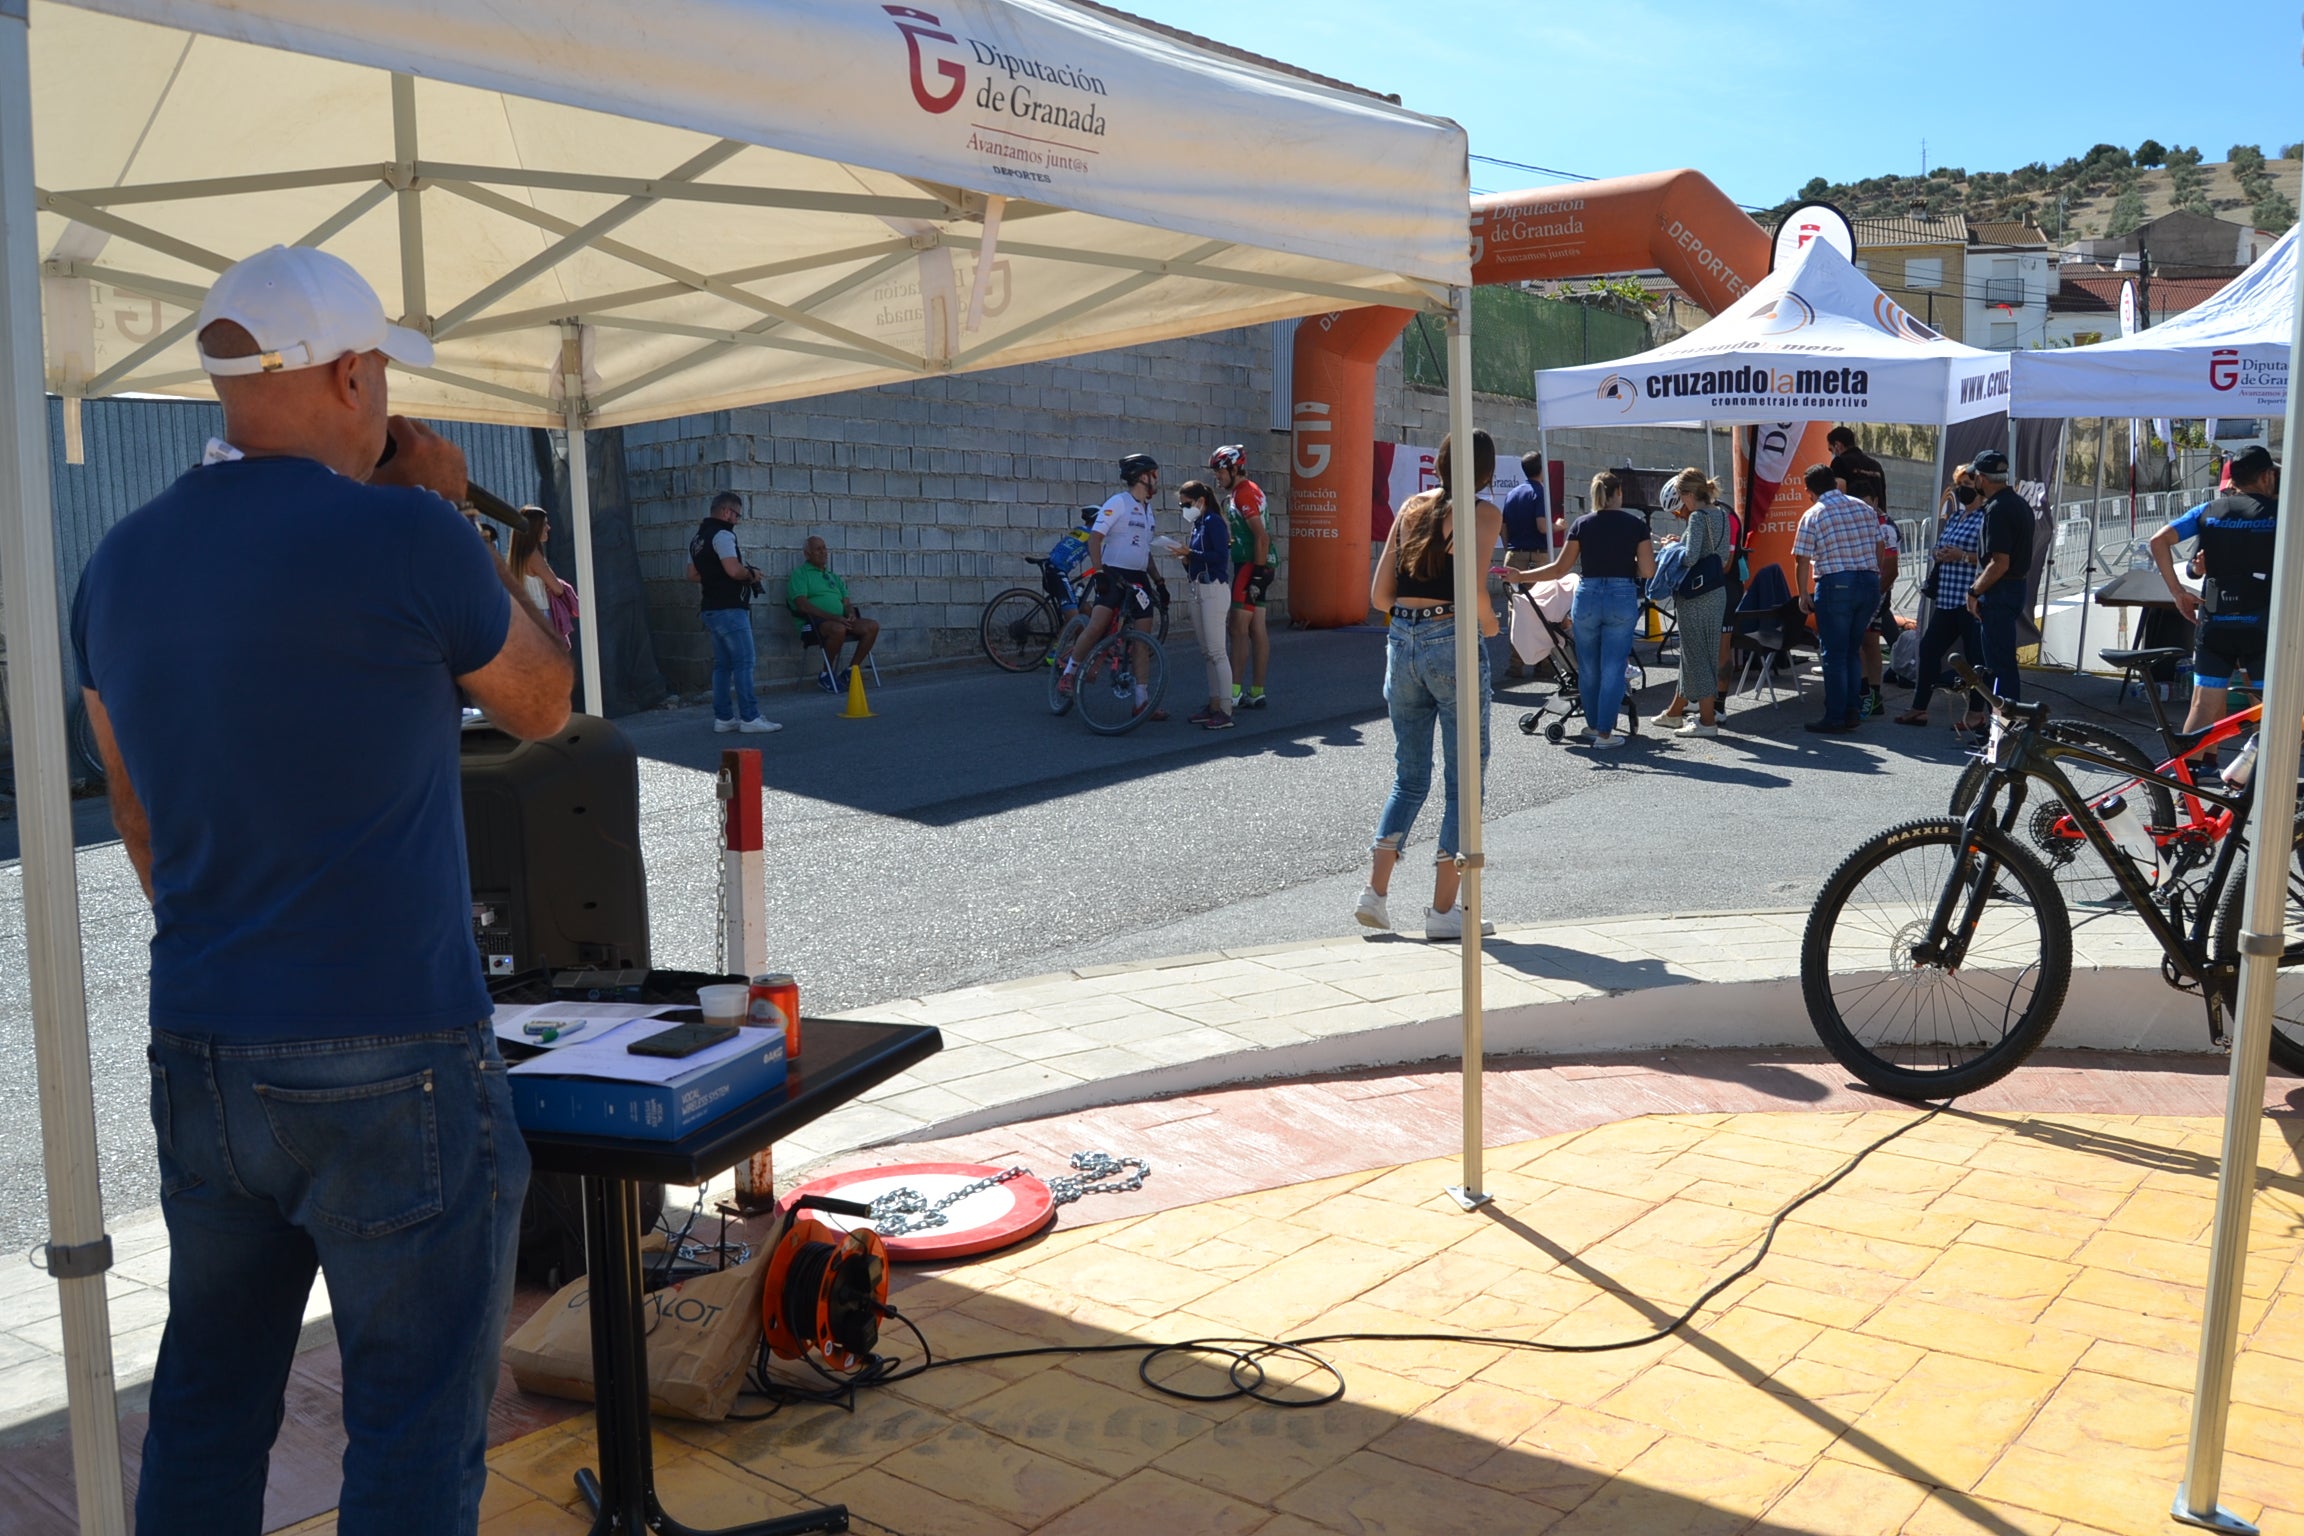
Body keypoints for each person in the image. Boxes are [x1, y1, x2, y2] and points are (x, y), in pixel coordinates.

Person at [70, 244, 574, 1536]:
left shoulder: (117, 564)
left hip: (203, 1039)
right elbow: (541, 703)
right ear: (353, 376)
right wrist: (462, 516)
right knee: (409, 1423)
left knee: (209, 1404)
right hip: (390, 1045)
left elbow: (130, 808)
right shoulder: (406, 533)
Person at [1356, 429, 1501, 940]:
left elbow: (1379, 595)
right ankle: (1444, 913)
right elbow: (1473, 589)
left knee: (1409, 776)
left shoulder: (1412, 506)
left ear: (1438, 464)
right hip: (1451, 639)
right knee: (1463, 782)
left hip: (1401, 641)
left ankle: (1374, 895)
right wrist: (1490, 625)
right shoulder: (1483, 513)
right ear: (1485, 472)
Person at [2150, 444, 2281, 767]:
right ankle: (2256, 783)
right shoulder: (2282, 514)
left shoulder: (2208, 511)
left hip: (2215, 621)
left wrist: (2178, 591)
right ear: (2267, 476)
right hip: (2262, 622)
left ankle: (2188, 789)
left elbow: (2158, 541)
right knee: (2267, 709)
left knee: (2203, 706)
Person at [1509, 470, 1655, 749]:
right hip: (1621, 595)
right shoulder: (1635, 525)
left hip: (1586, 595)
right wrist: (1625, 570)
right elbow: (1648, 569)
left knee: (1588, 667)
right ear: (1619, 493)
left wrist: (1520, 577)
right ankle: (1605, 733)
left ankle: (1592, 726)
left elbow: (1559, 569)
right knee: (1614, 666)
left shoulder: (1581, 524)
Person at [1057, 453, 1165, 720]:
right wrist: (1100, 572)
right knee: (1096, 627)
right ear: (1142, 476)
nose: (1157, 480)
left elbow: (1145, 552)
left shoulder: (1148, 510)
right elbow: (1095, 539)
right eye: (1154, 474)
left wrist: (1159, 581)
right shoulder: (1119, 502)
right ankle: (1069, 673)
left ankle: (1141, 701)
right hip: (1113, 574)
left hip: (1138, 579)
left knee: (1144, 639)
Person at [1792, 462, 1895, 735]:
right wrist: (1871, 571)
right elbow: (1880, 544)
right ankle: (1851, 710)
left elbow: (1802, 559)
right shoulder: (1863, 507)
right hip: (1867, 582)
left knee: (1834, 653)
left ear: (1810, 491)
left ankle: (1836, 715)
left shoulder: (1813, 514)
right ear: (1836, 482)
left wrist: (1803, 593)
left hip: (1836, 582)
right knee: (1851, 649)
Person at [1896, 466, 1989, 729]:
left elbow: (1992, 559)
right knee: (1928, 649)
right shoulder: (1956, 517)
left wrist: (1961, 556)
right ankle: (1919, 707)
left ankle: (1976, 714)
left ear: (1980, 485)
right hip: (1947, 600)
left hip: (1971, 600)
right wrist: (1940, 553)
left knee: (1975, 659)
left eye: (1968, 483)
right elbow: (1938, 546)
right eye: (1959, 483)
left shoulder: (1986, 518)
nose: (1962, 488)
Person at [685, 491, 779, 733]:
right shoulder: (723, 535)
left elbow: (693, 575)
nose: (737, 520)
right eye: (737, 514)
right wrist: (752, 575)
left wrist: (716, 575)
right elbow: (734, 570)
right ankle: (750, 717)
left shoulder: (697, 538)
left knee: (723, 666)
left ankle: (724, 718)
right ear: (726, 512)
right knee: (745, 662)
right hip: (729, 609)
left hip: (711, 608)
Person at [1656, 468, 1730, 736]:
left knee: (1695, 655)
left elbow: (1689, 558)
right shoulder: (1721, 513)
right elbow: (1719, 554)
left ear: (1687, 494)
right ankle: (1678, 712)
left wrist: (1670, 546)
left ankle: (1707, 722)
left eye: (1680, 497)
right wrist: (1683, 542)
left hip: (1696, 595)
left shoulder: (1698, 518)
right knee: (1705, 654)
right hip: (1716, 591)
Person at [1964, 448, 2034, 718]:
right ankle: (2004, 725)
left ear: (1982, 478)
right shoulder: (2017, 503)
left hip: (2001, 591)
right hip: (2013, 589)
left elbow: (1999, 562)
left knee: (1999, 666)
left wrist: (1974, 591)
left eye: (1974, 477)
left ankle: (2005, 728)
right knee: (2001, 662)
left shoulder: (1998, 509)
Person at [1211, 445, 1275, 711]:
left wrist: (1257, 576)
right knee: (1256, 629)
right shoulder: (1243, 491)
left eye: (1220, 471)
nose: (1217, 476)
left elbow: (1261, 536)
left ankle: (1233, 692)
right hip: (1259, 562)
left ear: (1234, 468)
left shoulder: (1244, 493)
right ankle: (1257, 691)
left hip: (1252, 564)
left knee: (1236, 628)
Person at [1176, 479, 1235, 729]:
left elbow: (1220, 556)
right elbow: (1197, 559)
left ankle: (1225, 709)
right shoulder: (1198, 524)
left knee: (1218, 652)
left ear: (1200, 501)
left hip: (1213, 589)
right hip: (1198, 587)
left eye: (1186, 504)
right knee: (1207, 652)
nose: (1184, 509)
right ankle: (1213, 704)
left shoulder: (1213, 522)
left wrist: (1190, 553)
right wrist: (1185, 557)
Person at [788, 535, 880, 688]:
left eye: (824, 548)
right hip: (812, 624)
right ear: (807, 554)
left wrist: (849, 613)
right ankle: (826, 674)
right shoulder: (800, 574)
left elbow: (846, 602)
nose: (823, 552)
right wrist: (834, 618)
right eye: (818, 549)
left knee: (872, 626)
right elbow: (802, 605)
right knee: (838, 628)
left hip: (839, 620)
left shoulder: (833, 576)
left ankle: (851, 670)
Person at [1497, 452, 1554, 679]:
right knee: (1543, 607)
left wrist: (1510, 549)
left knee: (1516, 610)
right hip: (1537, 557)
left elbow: (1503, 527)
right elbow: (1542, 526)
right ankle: (1544, 664)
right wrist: (1557, 526)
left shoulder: (1512, 494)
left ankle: (1515, 664)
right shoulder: (1539, 492)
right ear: (1542, 469)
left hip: (1514, 555)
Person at [509, 504, 577, 648]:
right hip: (541, 615)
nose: (548, 528)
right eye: (544, 524)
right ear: (535, 528)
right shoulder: (534, 556)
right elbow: (558, 589)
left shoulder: (518, 556)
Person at [1042, 508, 1096, 623]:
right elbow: (1102, 554)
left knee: (1085, 609)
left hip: (1051, 570)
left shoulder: (1079, 531)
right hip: (1058, 573)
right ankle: (1059, 641)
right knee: (1075, 622)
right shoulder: (1092, 535)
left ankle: (1075, 639)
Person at [1827, 426, 1889, 513]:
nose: (1832, 453)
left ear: (1837, 445)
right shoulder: (1875, 465)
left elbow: (1839, 494)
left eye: (1831, 449)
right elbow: (1882, 495)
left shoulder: (1839, 462)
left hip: (1854, 518)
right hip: (1878, 519)